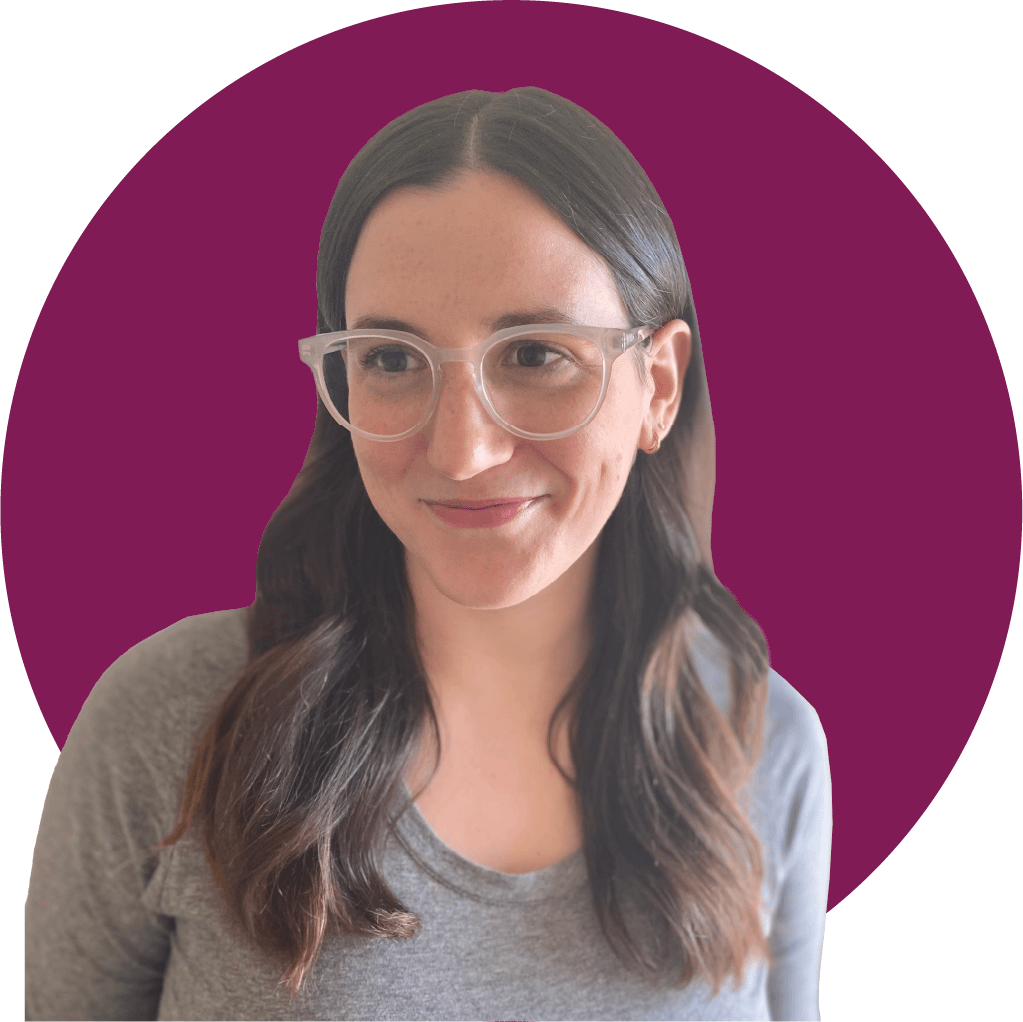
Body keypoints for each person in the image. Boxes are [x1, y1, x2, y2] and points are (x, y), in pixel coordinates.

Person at [24, 87, 831, 1021]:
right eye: (393, 359)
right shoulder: (166, 720)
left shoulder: (767, 744)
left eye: (534, 356)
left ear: (657, 386)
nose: (461, 452)